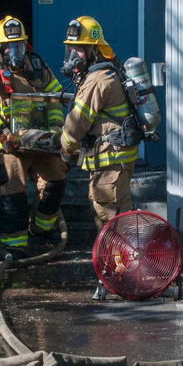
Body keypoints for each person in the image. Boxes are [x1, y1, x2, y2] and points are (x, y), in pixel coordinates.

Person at [0, 15, 66, 256]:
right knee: (14, 193)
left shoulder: (38, 68)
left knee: (56, 180)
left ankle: (42, 228)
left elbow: (56, 100)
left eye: (18, 46)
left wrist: (55, 130)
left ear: (25, 46)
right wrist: (3, 133)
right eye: (9, 47)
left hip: (39, 143)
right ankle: (15, 246)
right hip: (7, 147)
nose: (15, 52)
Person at [58, 15, 138, 230]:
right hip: (110, 159)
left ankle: (127, 263)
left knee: (114, 220)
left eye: (80, 50)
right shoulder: (104, 72)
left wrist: (65, 152)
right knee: (107, 218)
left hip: (110, 160)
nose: (73, 56)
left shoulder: (97, 80)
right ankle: (114, 262)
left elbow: (76, 124)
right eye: (71, 50)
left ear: (94, 50)